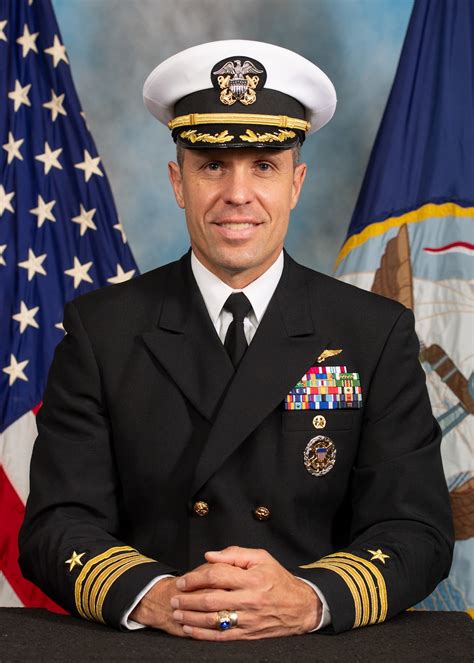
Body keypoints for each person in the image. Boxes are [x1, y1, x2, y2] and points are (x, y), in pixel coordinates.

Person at [19, 40, 453, 639]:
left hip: (313, 648)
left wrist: (309, 599)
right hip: (156, 646)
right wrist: (159, 598)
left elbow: (417, 530)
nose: (238, 195)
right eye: (212, 165)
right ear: (178, 182)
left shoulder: (373, 333)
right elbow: (56, 523)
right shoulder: (102, 330)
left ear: (297, 183)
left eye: (264, 166)